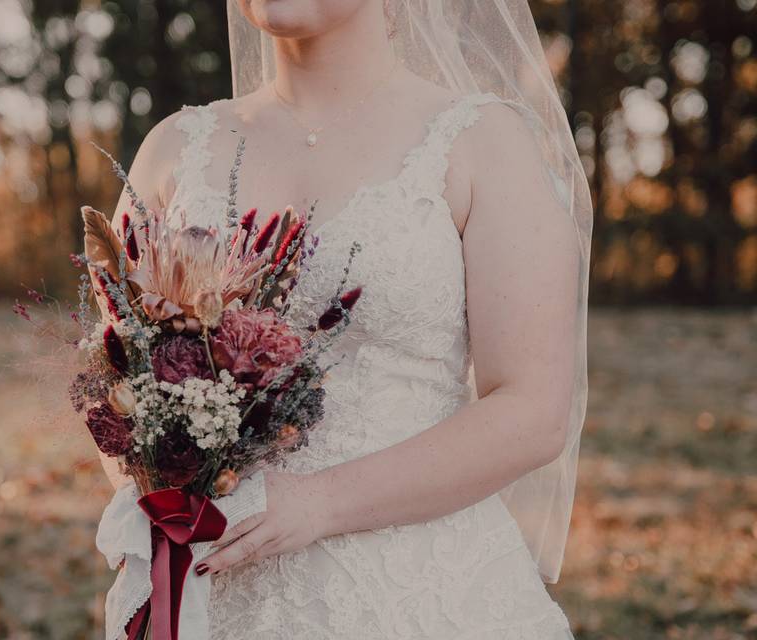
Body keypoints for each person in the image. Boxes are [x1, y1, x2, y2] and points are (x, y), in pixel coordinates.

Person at [99, 1, 592, 637]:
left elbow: (531, 412)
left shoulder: (480, 143)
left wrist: (318, 503)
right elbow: (115, 379)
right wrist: (166, 497)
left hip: (419, 591)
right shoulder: (175, 148)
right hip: (209, 589)